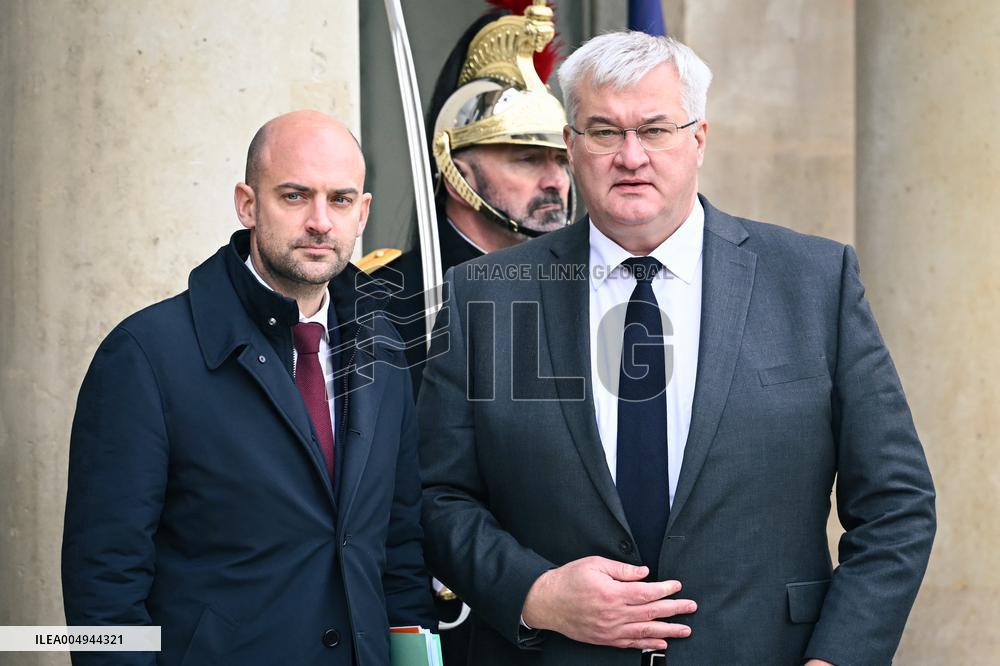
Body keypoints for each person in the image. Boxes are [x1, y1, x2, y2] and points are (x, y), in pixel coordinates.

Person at [418, 31, 936, 665]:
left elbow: (896, 504)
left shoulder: (812, 283)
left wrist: (838, 658)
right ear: (572, 146)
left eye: (656, 129)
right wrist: (535, 591)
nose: (630, 156)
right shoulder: (486, 297)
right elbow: (435, 494)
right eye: (604, 131)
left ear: (699, 139)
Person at [62, 110, 434, 665]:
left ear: (363, 213)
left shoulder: (382, 346)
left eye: (339, 199)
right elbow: (103, 585)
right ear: (247, 204)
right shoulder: (145, 355)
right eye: (294, 196)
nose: (319, 222)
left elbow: (401, 552)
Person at [370, 1, 572, 394]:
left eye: (562, 161)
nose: (555, 181)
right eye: (528, 159)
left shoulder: (581, 287)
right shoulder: (383, 301)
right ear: (457, 174)